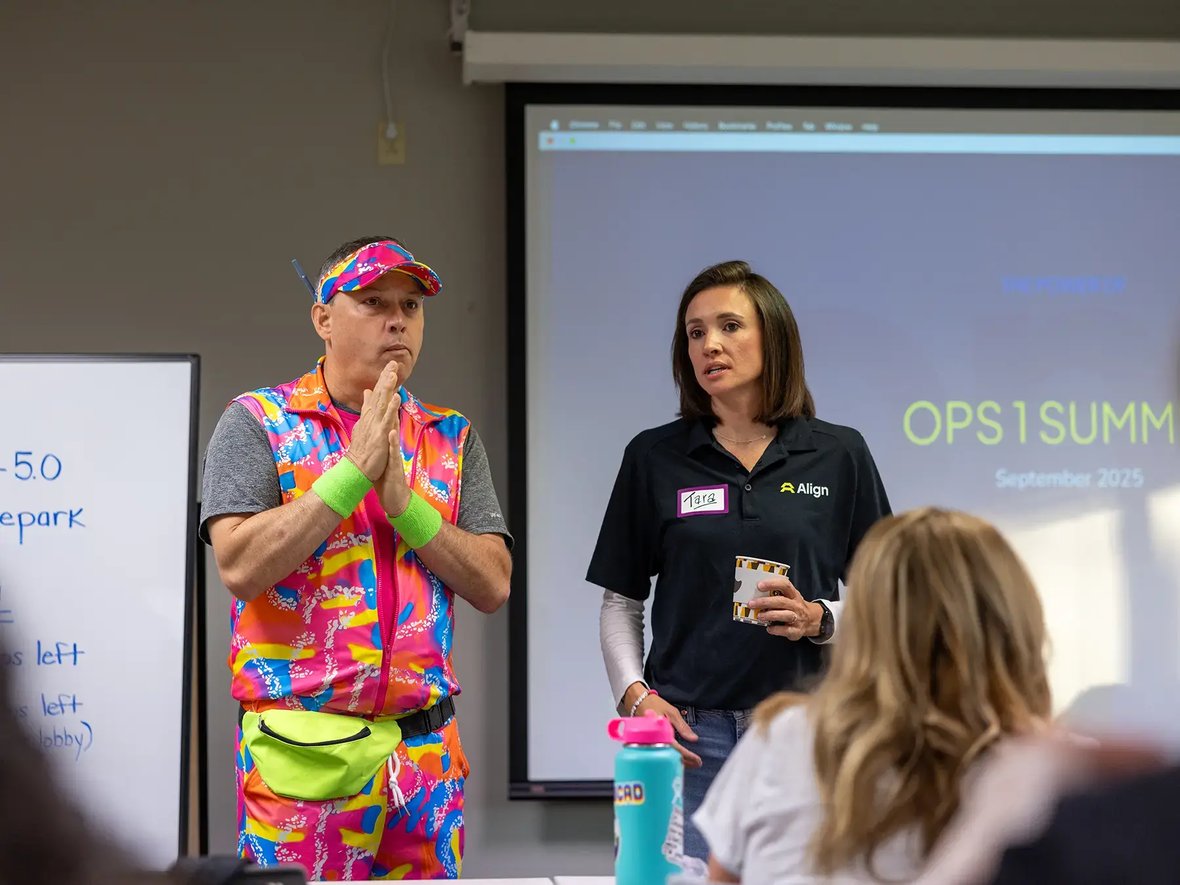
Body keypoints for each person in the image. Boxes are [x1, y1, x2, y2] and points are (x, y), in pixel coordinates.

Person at [200, 236, 512, 880]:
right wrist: (350, 477)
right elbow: (239, 566)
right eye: (372, 302)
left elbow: (492, 584)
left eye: (411, 305)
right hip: (303, 753)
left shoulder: (450, 437)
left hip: (424, 756)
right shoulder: (258, 421)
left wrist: (403, 503)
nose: (397, 319)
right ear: (322, 318)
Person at [587, 259, 891, 863]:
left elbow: (890, 599)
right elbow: (621, 599)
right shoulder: (654, 456)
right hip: (688, 741)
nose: (710, 344)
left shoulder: (838, 453)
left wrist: (822, 618)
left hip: (807, 735)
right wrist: (636, 698)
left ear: (773, 338)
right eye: (695, 332)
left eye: (729, 326)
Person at [693, 507, 1054, 883]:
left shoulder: (783, 736)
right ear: (1016, 620)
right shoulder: (1056, 778)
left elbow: (723, 878)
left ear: (865, 620)